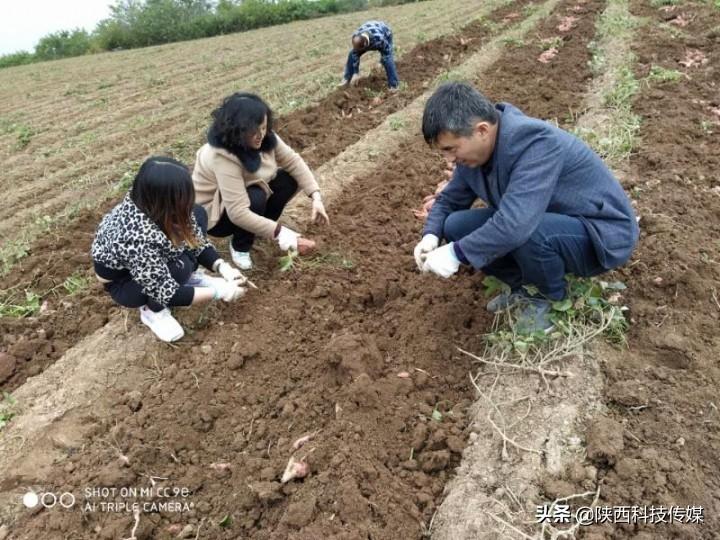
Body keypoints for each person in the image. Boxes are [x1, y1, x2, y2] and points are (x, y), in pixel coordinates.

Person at [414, 82, 639, 333]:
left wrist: (456, 253)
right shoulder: (474, 157)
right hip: (553, 222)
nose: (449, 159)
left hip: (599, 233)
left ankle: (550, 300)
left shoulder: (534, 143)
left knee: (526, 228)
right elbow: (449, 201)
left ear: (481, 130)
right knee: (455, 225)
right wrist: (431, 235)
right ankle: (524, 287)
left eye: (451, 149)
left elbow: (516, 224)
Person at [92, 157, 248, 342]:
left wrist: (222, 267)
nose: (187, 201)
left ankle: (189, 278)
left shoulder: (153, 203)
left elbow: (196, 240)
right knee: (180, 268)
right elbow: (167, 291)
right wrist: (219, 292)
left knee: (197, 214)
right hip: (124, 282)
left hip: (153, 255)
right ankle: (153, 312)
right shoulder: (134, 237)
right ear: (164, 199)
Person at [192, 92, 329, 271]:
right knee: (255, 197)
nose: (261, 135)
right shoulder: (222, 156)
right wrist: (283, 234)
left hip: (244, 196)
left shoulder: (265, 137)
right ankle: (240, 246)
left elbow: (293, 161)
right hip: (216, 215)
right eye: (253, 131)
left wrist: (316, 197)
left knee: (287, 180)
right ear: (237, 130)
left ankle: (258, 228)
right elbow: (238, 213)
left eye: (263, 127)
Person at [339, 20, 399, 90]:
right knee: (351, 54)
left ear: (366, 45)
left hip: (386, 33)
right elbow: (355, 54)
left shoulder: (379, 39)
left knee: (387, 59)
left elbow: (387, 52)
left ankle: (394, 85)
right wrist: (356, 72)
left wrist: (381, 62)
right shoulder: (356, 36)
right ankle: (346, 79)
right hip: (368, 31)